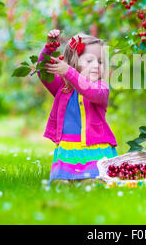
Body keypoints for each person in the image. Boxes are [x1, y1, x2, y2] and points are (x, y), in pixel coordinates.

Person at [38, 29, 118, 184]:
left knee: (93, 182)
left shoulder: (102, 88)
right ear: (74, 62)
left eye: (100, 62)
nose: (96, 65)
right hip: (69, 150)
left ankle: (90, 179)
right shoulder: (62, 88)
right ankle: (69, 179)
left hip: (96, 149)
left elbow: (91, 93)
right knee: (59, 184)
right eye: (89, 61)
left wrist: (69, 72)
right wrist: (49, 47)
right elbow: (43, 71)